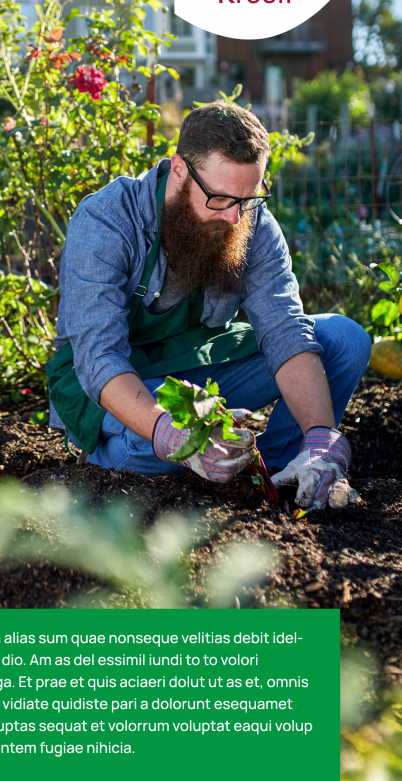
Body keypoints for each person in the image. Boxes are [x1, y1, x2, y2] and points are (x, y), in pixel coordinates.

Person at [46, 101, 371, 510]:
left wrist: (321, 435)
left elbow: (284, 329)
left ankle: (279, 473)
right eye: (219, 198)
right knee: (160, 444)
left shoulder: (250, 221)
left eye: (248, 198)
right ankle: (106, 461)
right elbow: (99, 358)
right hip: (111, 381)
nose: (235, 218)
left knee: (344, 339)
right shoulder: (108, 220)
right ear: (179, 170)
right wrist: (168, 432)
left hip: (195, 365)